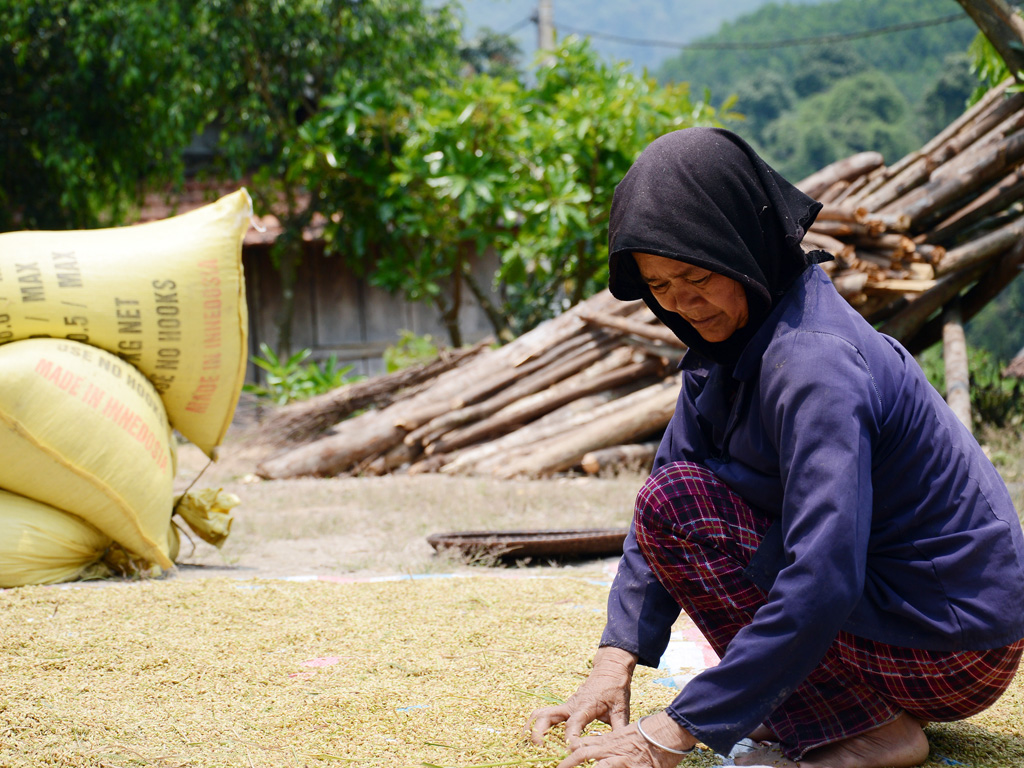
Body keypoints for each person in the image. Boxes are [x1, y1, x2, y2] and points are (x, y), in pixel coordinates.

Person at [526, 127, 1024, 768]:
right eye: (659, 284)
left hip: (952, 643)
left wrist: (672, 731)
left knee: (680, 506)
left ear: (743, 247)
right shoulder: (728, 346)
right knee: (674, 500)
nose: (680, 302)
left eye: (695, 274)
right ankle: (837, 711)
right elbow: (665, 501)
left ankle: (869, 732)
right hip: (913, 621)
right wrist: (611, 665)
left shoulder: (813, 361)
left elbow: (824, 574)